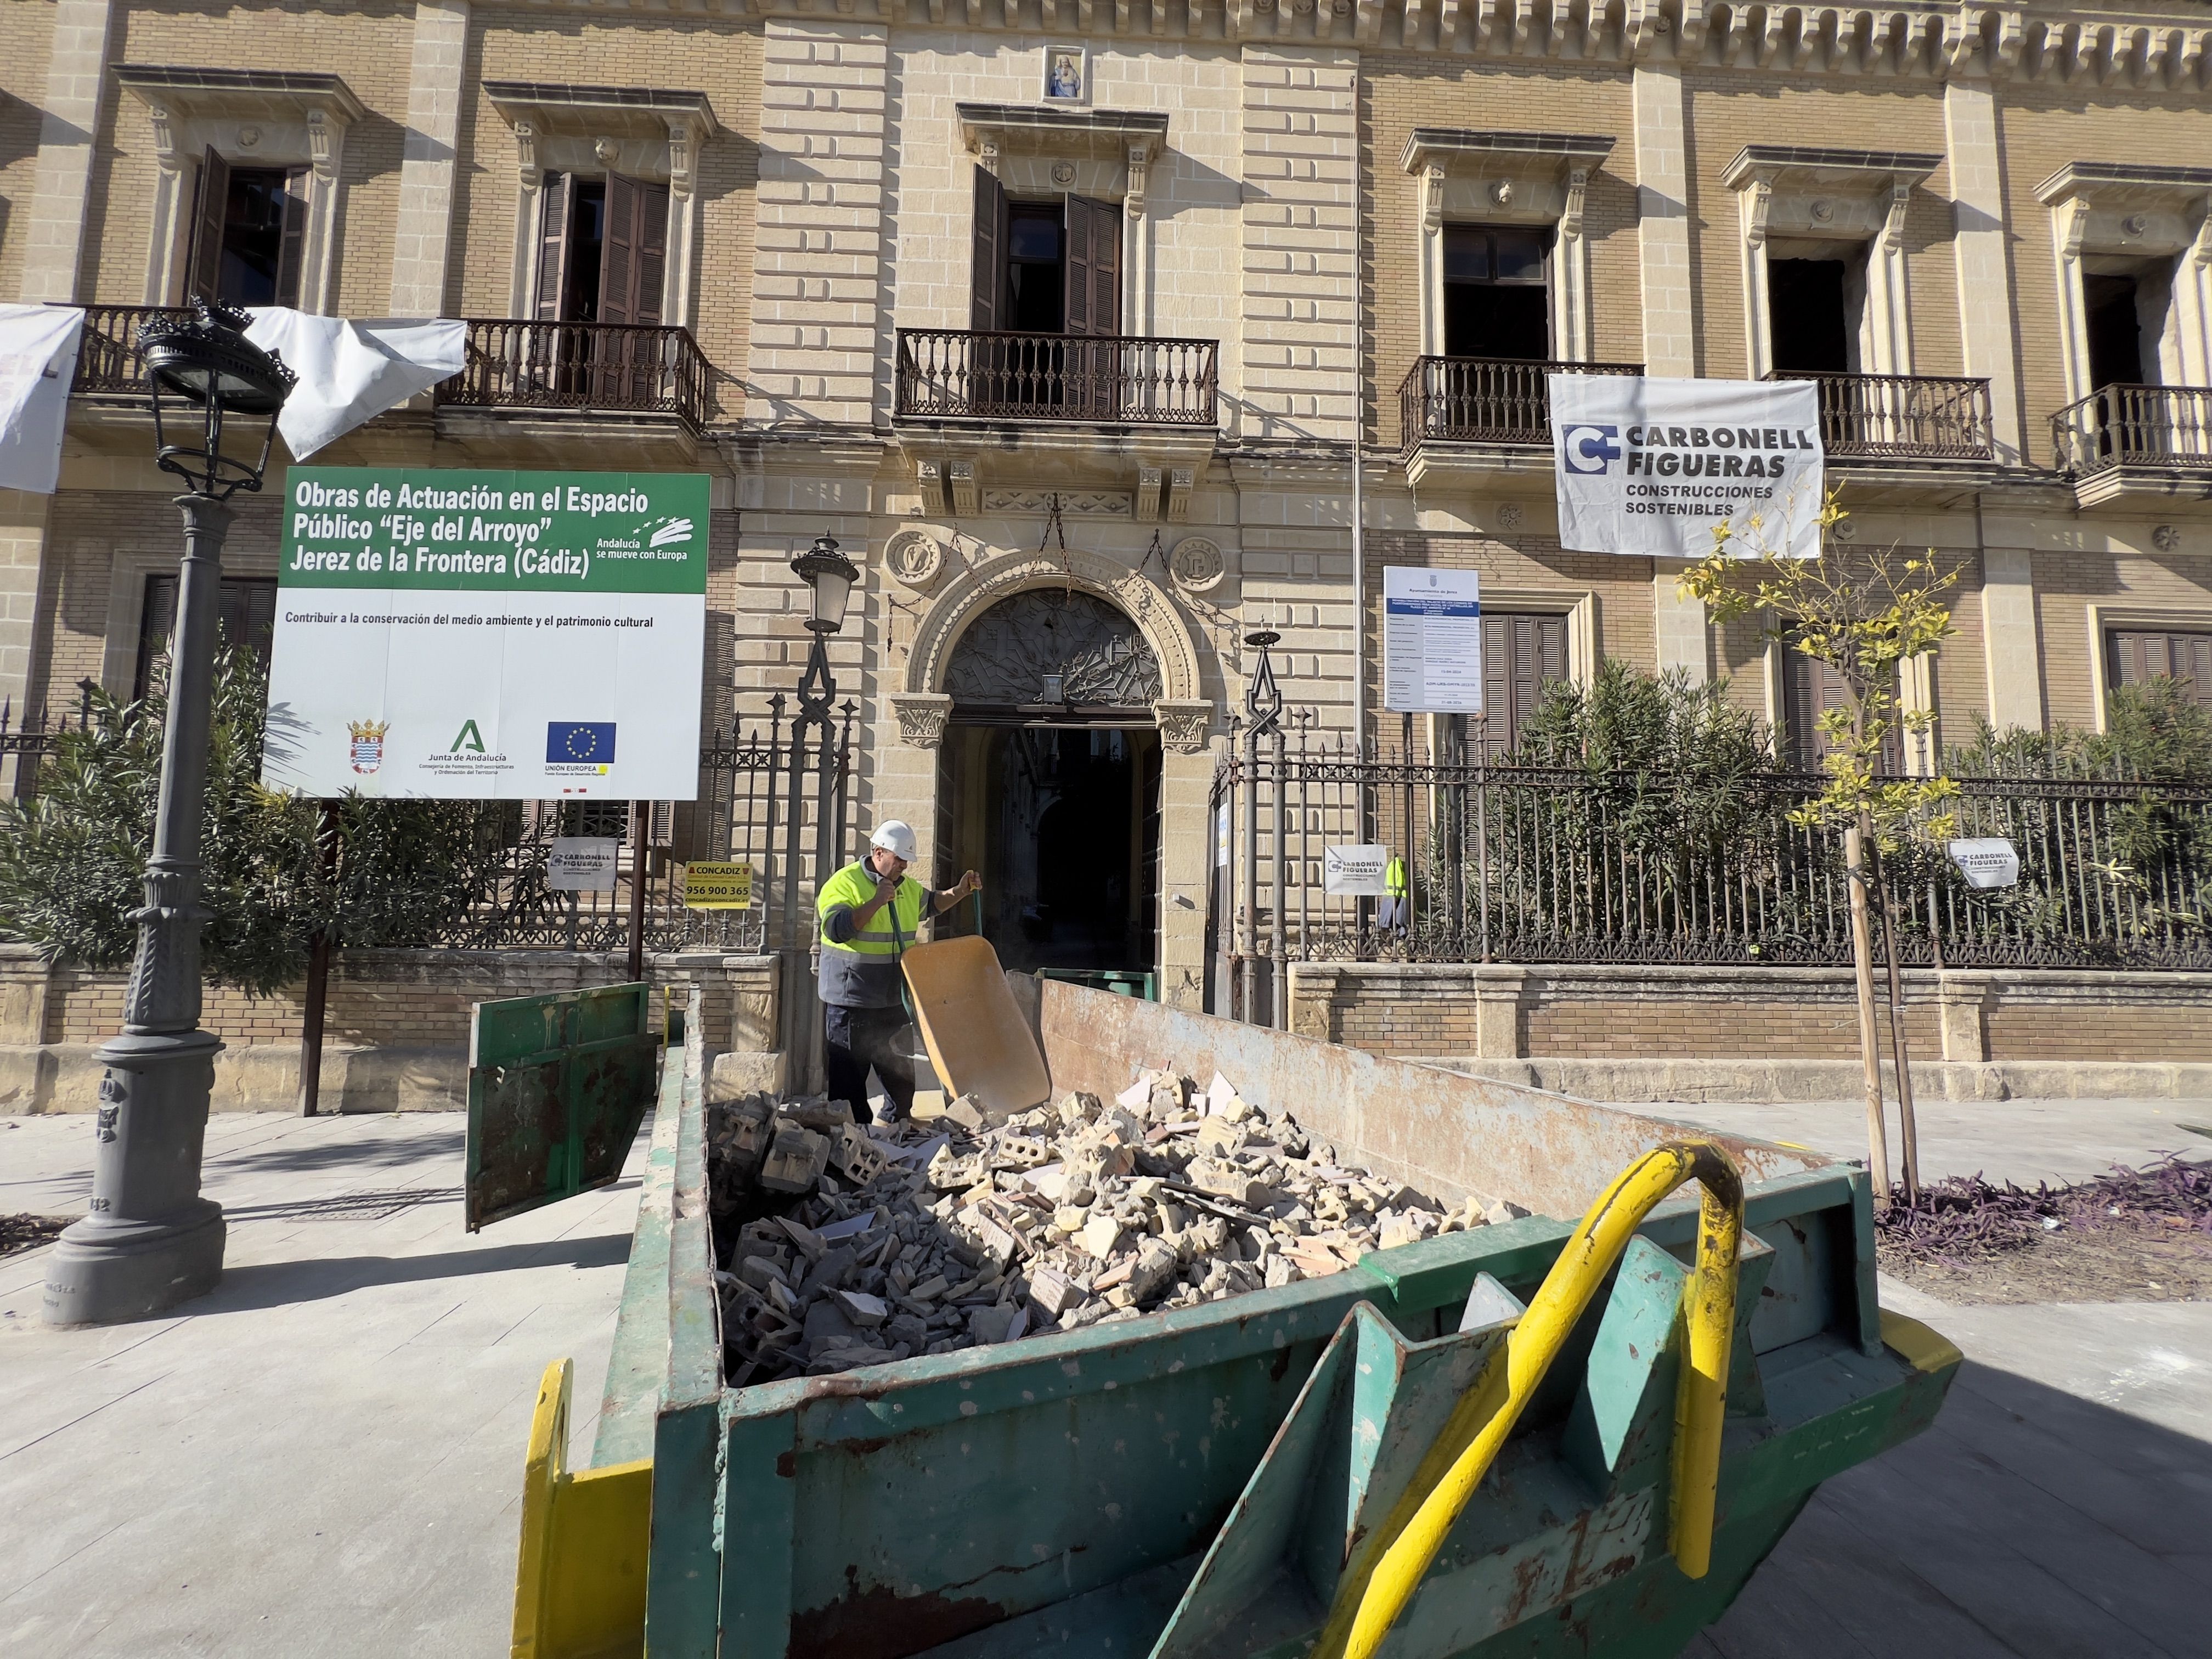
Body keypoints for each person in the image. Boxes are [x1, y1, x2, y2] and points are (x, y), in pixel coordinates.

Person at [817, 821, 979, 1122]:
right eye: (899, 859)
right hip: (852, 999)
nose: (904, 866)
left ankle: (898, 1121)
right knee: (850, 1075)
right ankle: (851, 1132)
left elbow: (931, 904)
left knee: (899, 1070)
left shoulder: (906, 887)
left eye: (907, 860)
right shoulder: (844, 884)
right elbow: (837, 929)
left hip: (894, 997)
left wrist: (959, 891)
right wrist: (877, 901)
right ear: (878, 853)